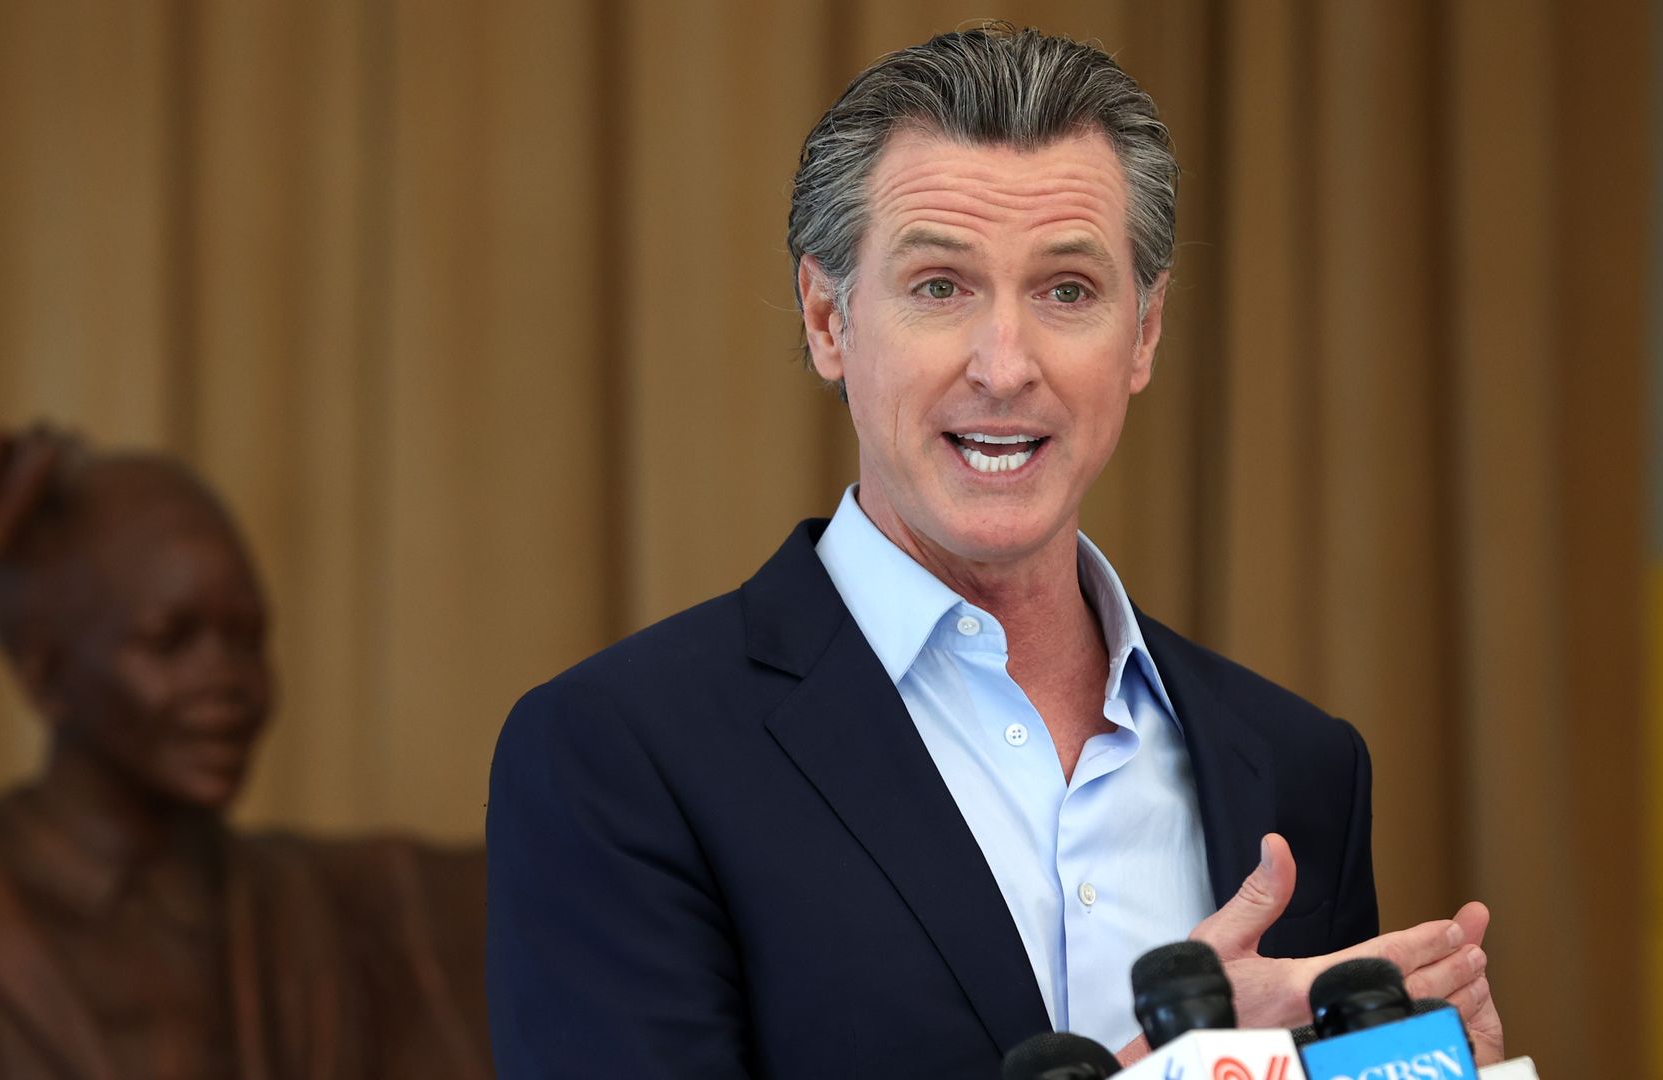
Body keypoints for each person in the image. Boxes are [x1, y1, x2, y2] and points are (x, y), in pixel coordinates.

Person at [485, 24, 1504, 1078]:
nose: (1005, 366)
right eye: (940, 287)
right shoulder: (615, 753)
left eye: (1068, 290)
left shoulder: (1301, 768)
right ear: (829, 318)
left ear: (1144, 333)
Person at [0, 425, 492, 1080]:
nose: (225, 681)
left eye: (248, 638)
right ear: (46, 676)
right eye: (171, 640)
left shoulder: (330, 913)